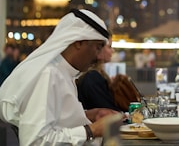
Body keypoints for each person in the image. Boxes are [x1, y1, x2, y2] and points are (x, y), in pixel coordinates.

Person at [0, 9, 122, 145]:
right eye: (98, 47)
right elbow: (35, 141)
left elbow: (56, 120)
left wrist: (89, 114)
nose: (99, 56)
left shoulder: (64, 72)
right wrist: (91, 130)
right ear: (78, 42)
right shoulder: (48, 74)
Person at [77, 33, 123, 112]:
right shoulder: (92, 77)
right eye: (109, 47)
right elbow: (109, 112)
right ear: (99, 48)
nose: (113, 50)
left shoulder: (93, 75)